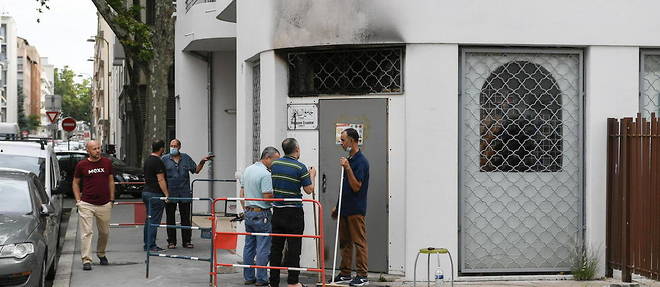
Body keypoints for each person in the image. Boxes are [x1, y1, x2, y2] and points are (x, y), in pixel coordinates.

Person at [269, 138, 316, 287]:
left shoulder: (275, 164)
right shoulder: (300, 167)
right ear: (297, 149)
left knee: (276, 248)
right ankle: (293, 282)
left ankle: (273, 282)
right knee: (294, 248)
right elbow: (309, 190)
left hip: (277, 211)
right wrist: (312, 176)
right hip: (294, 213)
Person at [331, 128, 370, 287]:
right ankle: (345, 272)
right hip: (344, 209)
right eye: (341, 140)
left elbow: (356, 186)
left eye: (343, 140)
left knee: (359, 242)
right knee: (344, 242)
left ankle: (362, 275)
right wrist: (338, 206)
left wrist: (347, 168)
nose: (341, 143)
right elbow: (344, 186)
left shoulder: (360, 161)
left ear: (352, 141)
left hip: (356, 209)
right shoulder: (350, 158)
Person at [162, 139, 213, 249]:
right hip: (170, 193)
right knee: (170, 218)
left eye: (175, 146)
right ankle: (171, 241)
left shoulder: (185, 158)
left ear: (179, 147)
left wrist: (202, 162)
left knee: (185, 218)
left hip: (184, 192)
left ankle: (187, 241)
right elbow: (160, 176)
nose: (173, 148)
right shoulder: (164, 159)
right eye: (171, 145)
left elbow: (196, 170)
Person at [240, 147, 281, 286]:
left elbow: (242, 192)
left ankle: (248, 277)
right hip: (262, 213)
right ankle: (262, 279)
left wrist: (244, 208)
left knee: (249, 246)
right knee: (263, 247)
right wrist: (279, 198)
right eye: (275, 160)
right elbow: (267, 197)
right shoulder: (265, 174)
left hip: (248, 211)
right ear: (268, 158)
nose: (276, 163)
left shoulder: (248, 169)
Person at [72, 140, 115, 271]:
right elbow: (75, 183)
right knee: (86, 233)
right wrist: (78, 201)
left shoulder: (107, 163)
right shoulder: (82, 165)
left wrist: (112, 199)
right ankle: (86, 260)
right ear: (88, 151)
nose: (98, 151)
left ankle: (101, 253)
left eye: (99, 148)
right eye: (94, 149)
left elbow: (111, 181)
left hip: (104, 203)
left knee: (104, 232)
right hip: (86, 204)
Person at [142, 140, 170, 252]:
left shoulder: (148, 160)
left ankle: (147, 243)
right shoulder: (158, 162)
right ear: (161, 149)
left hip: (146, 192)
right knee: (154, 220)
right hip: (155, 194)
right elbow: (161, 179)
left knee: (149, 219)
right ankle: (151, 245)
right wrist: (166, 194)